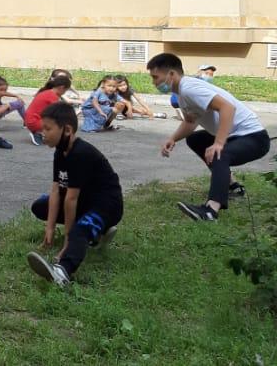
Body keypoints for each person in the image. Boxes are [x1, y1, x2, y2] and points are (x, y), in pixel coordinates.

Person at [147, 53, 271, 222]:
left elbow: (227, 108)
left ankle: (210, 211)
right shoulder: (182, 93)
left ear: (171, 74)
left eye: (155, 77)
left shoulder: (190, 88)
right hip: (235, 136)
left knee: (219, 153)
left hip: (254, 138)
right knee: (196, 139)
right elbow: (190, 122)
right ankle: (232, 185)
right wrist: (173, 138)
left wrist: (219, 143)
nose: (154, 82)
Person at [26, 102, 122, 288]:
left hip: (107, 205)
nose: (42, 132)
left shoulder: (80, 153)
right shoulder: (60, 152)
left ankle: (62, 272)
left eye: (48, 128)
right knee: (40, 206)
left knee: (79, 230)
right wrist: (50, 228)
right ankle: (98, 233)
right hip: (86, 202)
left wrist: (68, 241)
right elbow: (56, 190)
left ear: (67, 130)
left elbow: (71, 199)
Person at [26, 74, 73, 146]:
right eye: (65, 90)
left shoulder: (47, 92)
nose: (64, 93)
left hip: (30, 120)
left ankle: (39, 132)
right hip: (34, 122)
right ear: (62, 87)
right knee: (60, 123)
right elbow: (60, 112)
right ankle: (39, 133)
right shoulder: (52, 96)